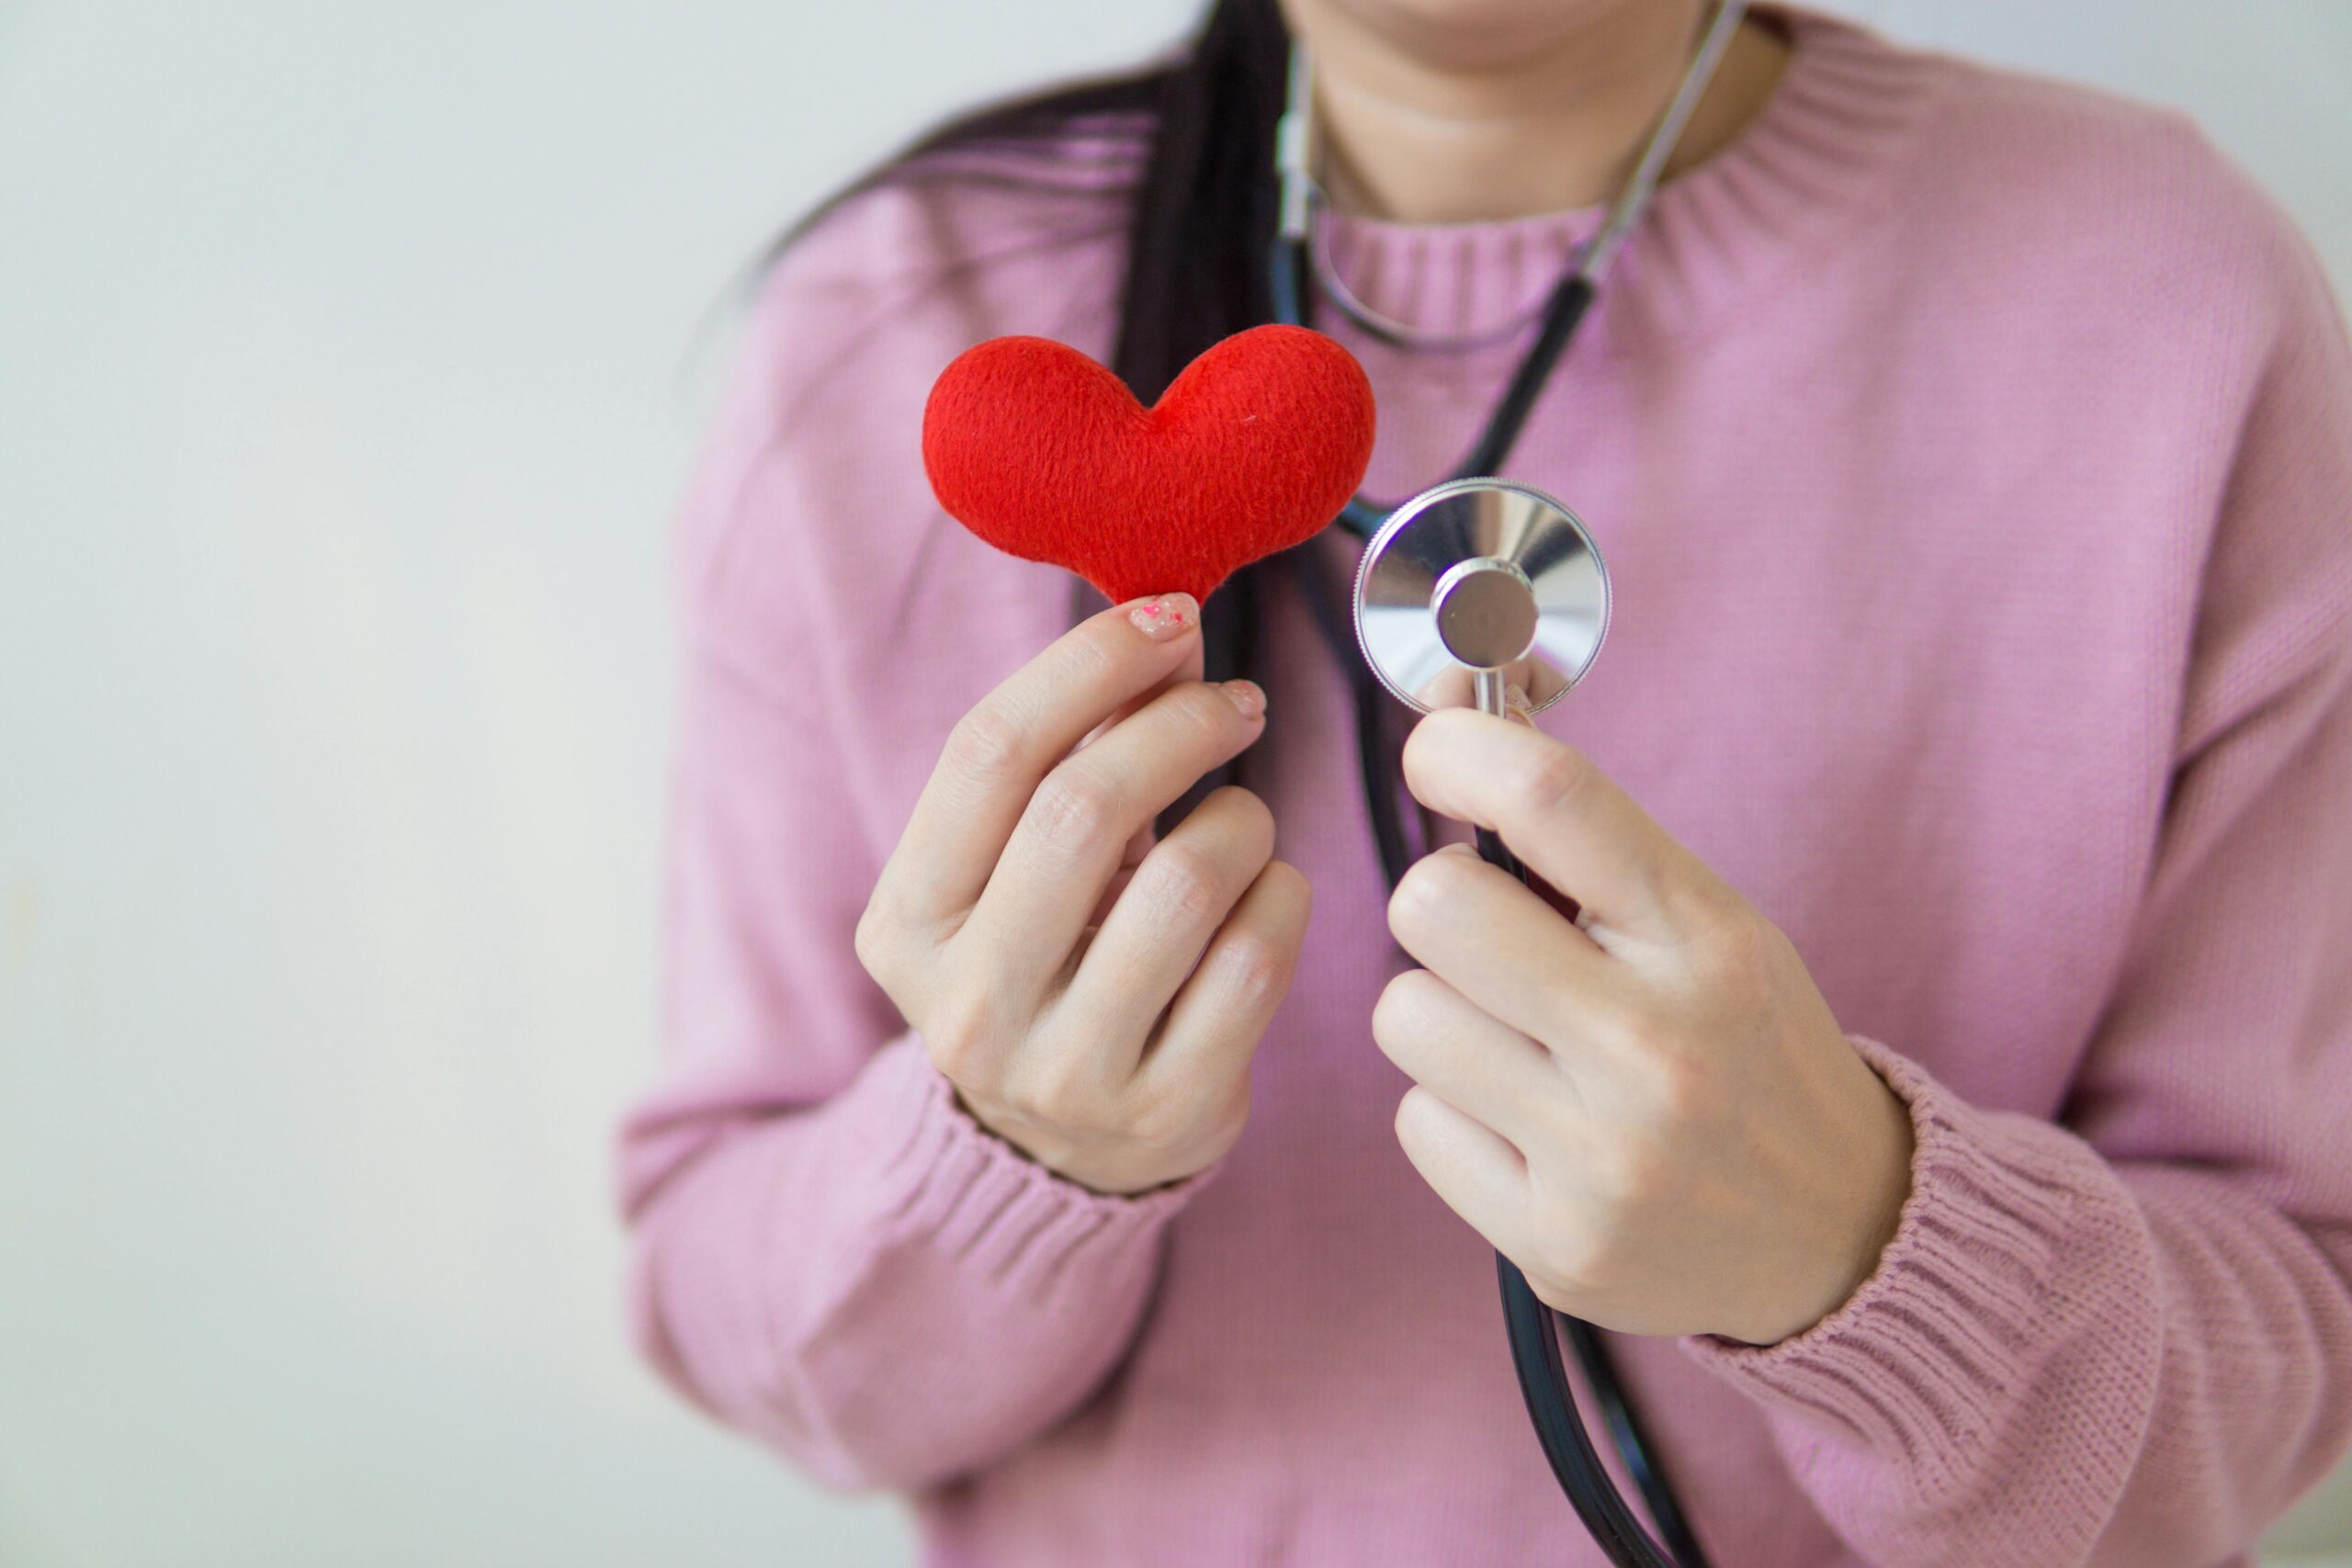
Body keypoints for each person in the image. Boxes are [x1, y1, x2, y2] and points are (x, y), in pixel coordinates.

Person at [615, 3, 2352, 1562]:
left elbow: (2303, 1333)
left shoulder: (2164, 297)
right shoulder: (888, 322)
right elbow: (734, 1316)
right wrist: (999, 1154)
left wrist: (1864, 1251)